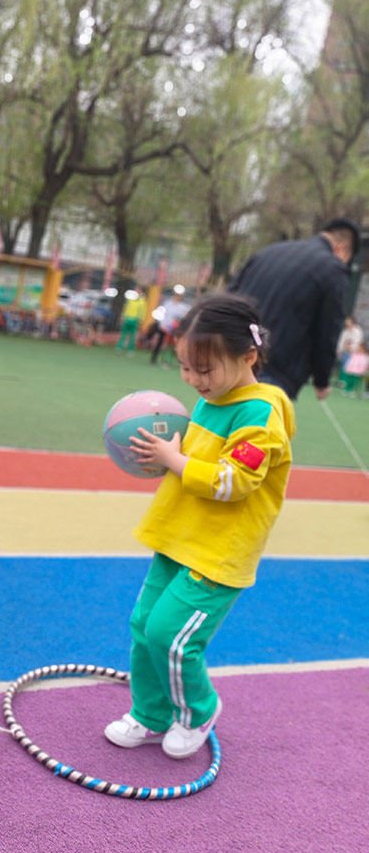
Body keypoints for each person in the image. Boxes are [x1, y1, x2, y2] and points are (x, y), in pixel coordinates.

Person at [105, 293, 295, 759]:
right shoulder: (213, 397)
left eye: (204, 369)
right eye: (186, 368)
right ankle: (151, 714)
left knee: (173, 635)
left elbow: (235, 481)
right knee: (145, 625)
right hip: (178, 536)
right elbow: (192, 459)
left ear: (248, 356)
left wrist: (174, 459)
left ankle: (198, 710)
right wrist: (163, 454)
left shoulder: (261, 411)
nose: (193, 380)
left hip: (218, 550)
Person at [228, 218, 361, 400]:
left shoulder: (268, 252)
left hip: (231, 358)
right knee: (257, 426)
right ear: (341, 248)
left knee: (218, 424)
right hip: (275, 368)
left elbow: (228, 298)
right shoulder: (332, 268)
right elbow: (328, 329)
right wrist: (322, 380)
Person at [150, 288, 189, 365]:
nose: (177, 297)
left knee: (171, 346)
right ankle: (154, 358)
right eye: (176, 295)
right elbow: (162, 315)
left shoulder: (183, 307)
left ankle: (169, 360)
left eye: (179, 296)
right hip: (164, 327)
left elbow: (182, 318)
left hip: (174, 329)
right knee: (160, 342)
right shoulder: (167, 304)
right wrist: (162, 325)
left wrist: (175, 326)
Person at [115, 287, 147, 353]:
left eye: (138, 290)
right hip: (127, 318)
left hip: (135, 320)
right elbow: (126, 308)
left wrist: (140, 320)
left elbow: (142, 311)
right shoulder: (130, 299)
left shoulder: (142, 301)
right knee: (123, 334)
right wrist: (123, 317)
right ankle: (119, 347)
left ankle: (130, 349)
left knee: (133, 336)